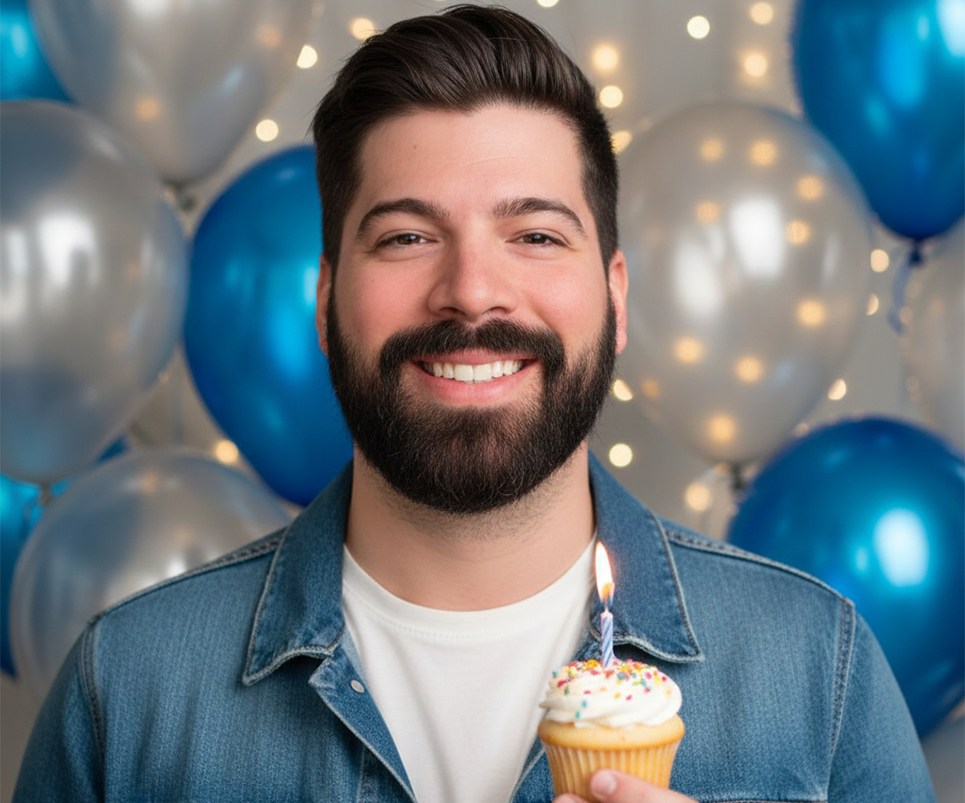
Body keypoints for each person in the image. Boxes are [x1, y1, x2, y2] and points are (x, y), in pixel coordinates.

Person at [15, 5, 935, 803]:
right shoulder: (125, 692)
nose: (471, 291)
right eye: (408, 235)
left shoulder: (823, 675)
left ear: (616, 301)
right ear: (326, 303)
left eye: (535, 233)